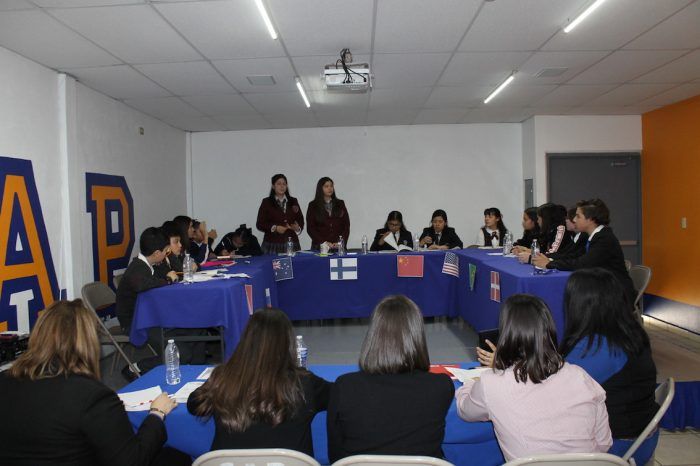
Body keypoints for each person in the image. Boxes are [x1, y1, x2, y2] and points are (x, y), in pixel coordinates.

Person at [0, 300, 189, 466]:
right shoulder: (92, 397)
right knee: (177, 457)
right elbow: (133, 460)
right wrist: (157, 413)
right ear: (88, 342)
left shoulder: (5, 380)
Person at [457, 294, 612, 462]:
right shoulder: (580, 375)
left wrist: (470, 383)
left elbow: (465, 410)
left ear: (506, 334)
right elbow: (604, 443)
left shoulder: (491, 383)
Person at [327, 295, 454, 462]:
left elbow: (336, 457)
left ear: (373, 336)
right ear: (417, 337)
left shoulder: (345, 387)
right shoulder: (441, 386)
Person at [188, 308, 331, 456]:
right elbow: (338, 395)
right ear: (287, 343)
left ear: (246, 341)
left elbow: (193, 405)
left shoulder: (222, 378)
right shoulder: (304, 383)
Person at [560, 269, 659, 465]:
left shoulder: (599, 348)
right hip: (641, 437)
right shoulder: (628, 332)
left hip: (617, 447)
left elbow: (556, 390)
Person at [116, 227, 205, 377]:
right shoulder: (137, 267)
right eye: (165, 251)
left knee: (198, 330)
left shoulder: (150, 265)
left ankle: (197, 373)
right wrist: (168, 279)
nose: (167, 254)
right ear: (157, 253)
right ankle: (136, 368)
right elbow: (141, 284)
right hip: (137, 322)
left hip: (153, 316)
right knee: (181, 353)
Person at [532, 198, 635, 303]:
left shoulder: (604, 238)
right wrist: (549, 260)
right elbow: (574, 256)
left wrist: (549, 264)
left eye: (578, 216)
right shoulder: (593, 236)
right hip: (603, 287)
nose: (574, 219)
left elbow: (582, 264)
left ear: (590, 219)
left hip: (616, 292)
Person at [256, 174, 304, 254]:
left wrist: (297, 228)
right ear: (273, 186)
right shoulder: (266, 202)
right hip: (272, 244)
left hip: (291, 243)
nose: (282, 186)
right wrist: (275, 228)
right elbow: (260, 224)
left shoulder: (293, 201)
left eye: (284, 184)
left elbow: (300, 219)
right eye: (278, 184)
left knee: (294, 262)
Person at [306, 177, 350, 251]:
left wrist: (340, 242)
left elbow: (346, 225)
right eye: (326, 186)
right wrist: (323, 242)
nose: (330, 188)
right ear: (320, 189)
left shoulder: (340, 203)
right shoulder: (313, 205)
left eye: (331, 186)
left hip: (338, 246)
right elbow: (310, 228)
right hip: (320, 246)